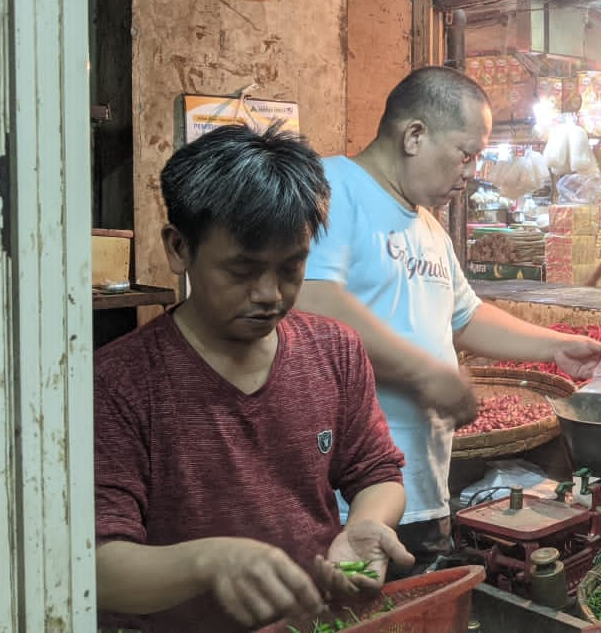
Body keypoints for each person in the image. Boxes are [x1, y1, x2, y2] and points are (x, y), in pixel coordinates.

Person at [94, 126, 414, 632]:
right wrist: (210, 563)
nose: (269, 294)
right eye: (242, 270)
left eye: (291, 268)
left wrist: (367, 525)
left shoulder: (335, 350)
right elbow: (99, 565)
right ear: (179, 248)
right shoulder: (119, 382)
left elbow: (376, 473)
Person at [296, 66, 601, 571]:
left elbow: (465, 318)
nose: (471, 172)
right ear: (414, 135)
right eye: (466, 154)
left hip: (419, 487)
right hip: (344, 498)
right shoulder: (334, 188)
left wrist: (554, 346)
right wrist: (426, 373)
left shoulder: (428, 227)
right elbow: (312, 300)